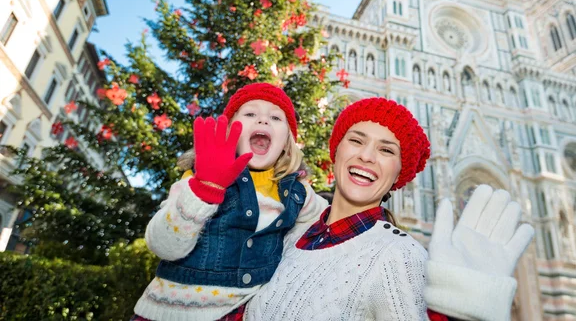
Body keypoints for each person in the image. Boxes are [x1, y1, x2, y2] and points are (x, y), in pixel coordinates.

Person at [243, 97, 534, 321]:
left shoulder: (400, 256)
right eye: (356, 140)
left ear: (398, 175)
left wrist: (466, 307)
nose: (367, 156)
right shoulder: (291, 235)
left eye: (386, 150)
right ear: (337, 151)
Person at [132, 83, 326, 321]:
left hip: (245, 313)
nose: (263, 121)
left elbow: (330, 222)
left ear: (287, 141)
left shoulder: (298, 192)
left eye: (275, 117)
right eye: (250, 114)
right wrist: (203, 192)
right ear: (228, 132)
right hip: (171, 311)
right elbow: (163, 246)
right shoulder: (199, 179)